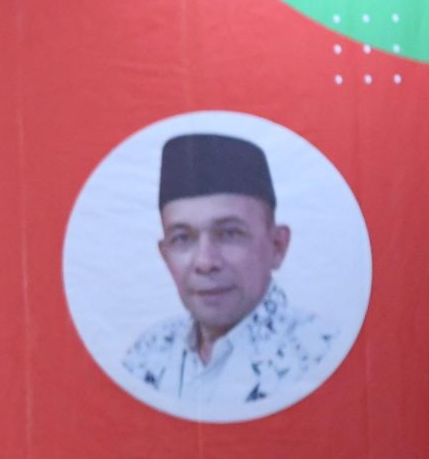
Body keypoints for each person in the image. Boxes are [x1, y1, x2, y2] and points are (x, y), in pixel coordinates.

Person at [120, 132, 335, 414]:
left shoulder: (323, 355)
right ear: (165, 254)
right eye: (182, 238)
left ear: (277, 246)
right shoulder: (146, 355)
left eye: (229, 234)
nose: (205, 262)